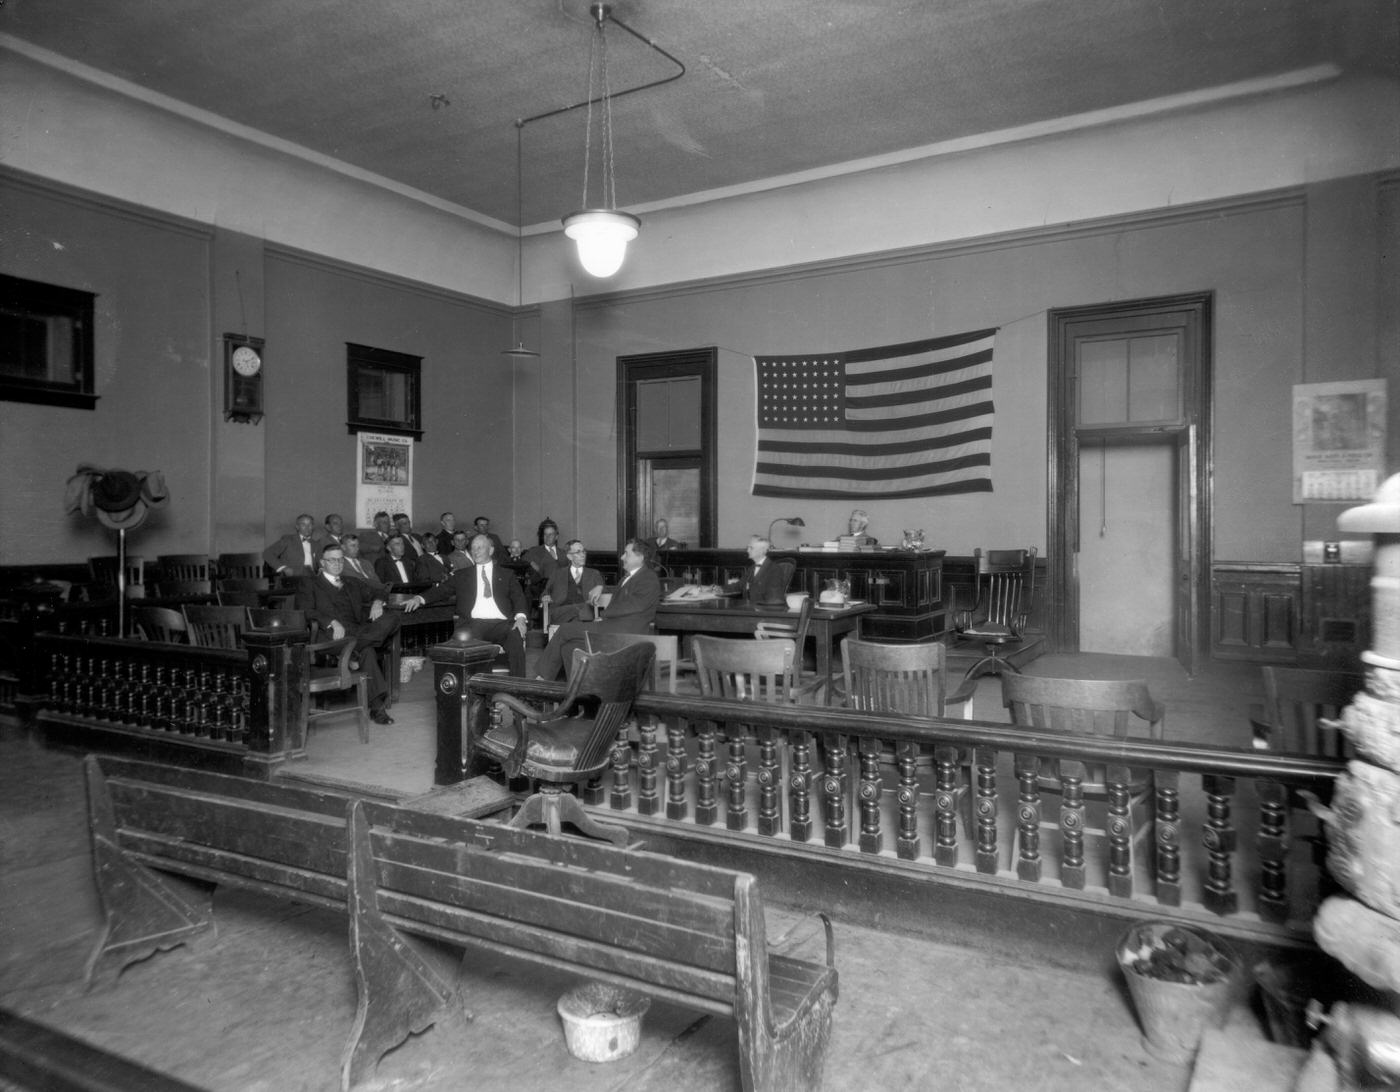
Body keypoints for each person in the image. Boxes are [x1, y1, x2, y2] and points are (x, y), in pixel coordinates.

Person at [297, 544, 400, 725]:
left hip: (356, 632)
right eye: (332, 560)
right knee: (367, 650)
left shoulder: (351, 582)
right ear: (322, 562)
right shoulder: (310, 583)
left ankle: (354, 652)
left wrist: (377, 602)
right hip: (329, 637)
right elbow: (304, 610)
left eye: (340, 559)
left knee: (393, 617)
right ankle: (377, 708)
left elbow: (380, 590)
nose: (337, 564)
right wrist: (331, 622)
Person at [534, 538, 660, 681]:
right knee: (569, 648)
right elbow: (624, 600)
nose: (622, 557)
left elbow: (635, 605)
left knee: (564, 630)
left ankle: (541, 678)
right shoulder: (631, 577)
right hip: (614, 627)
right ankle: (579, 693)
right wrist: (604, 611)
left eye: (626, 554)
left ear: (640, 557)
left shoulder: (648, 577)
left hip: (624, 633)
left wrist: (605, 615)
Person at [404, 534, 528, 676]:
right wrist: (419, 598)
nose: (476, 551)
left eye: (480, 547)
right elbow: (442, 590)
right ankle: (480, 689)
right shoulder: (461, 575)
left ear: (491, 550)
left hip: (502, 624)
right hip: (473, 624)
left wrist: (520, 618)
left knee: (516, 637)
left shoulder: (507, 574)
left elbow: (518, 597)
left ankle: (518, 689)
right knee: (467, 640)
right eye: (473, 548)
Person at [539, 540, 605, 625]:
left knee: (578, 617)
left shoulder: (594, 574)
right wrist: (545, 596)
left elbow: (605, 595)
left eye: (584, 551)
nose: (583, 555)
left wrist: (600, 587)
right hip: (562, 613)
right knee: (582, 609)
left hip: (586, 615)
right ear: (569, 556)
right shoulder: (557, 574)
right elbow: (545, 592)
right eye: (578, 552)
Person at [263, 514, 327, 579]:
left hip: (310, 579)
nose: (307, 527)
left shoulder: (316, 544)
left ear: (313, 527)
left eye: (310, 525)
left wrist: (321, 569)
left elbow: (321, 561)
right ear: (297, 527)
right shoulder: (288, 540)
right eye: (303, 525)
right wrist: (283, 568)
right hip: (290, 580)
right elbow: (267, 553)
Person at [742, 535, 790, 606]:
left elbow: (774, 598)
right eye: (747, 547)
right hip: (753, 608)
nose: (747, 550)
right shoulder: (751, 568)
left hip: (765, 610)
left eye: (751, 548)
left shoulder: (774, 569)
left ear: (761, 551)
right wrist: (721, 589)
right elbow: (739, 585)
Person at [524, 518, 563, 583]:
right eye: (545, 534)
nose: (547, 537)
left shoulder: (563, 553)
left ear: (556, 536)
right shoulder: (534, 551)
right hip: (542, 586)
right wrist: (532, 563)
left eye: (550, 534)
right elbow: (522, 560)